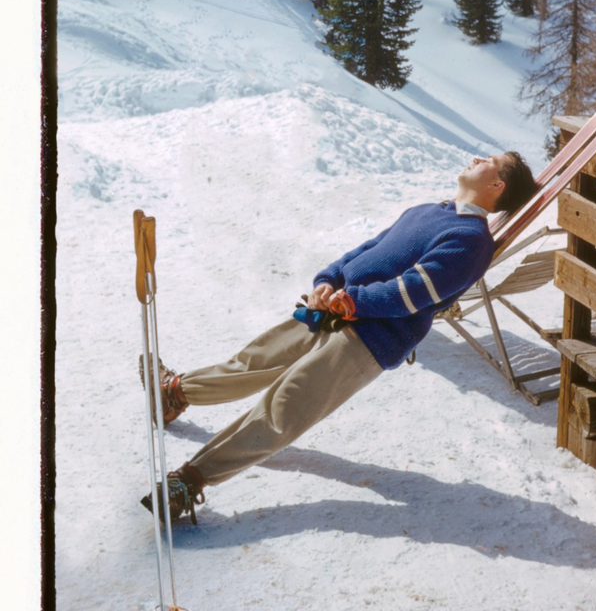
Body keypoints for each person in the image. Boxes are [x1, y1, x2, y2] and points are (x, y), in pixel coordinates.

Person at [141, 152, 538, 524]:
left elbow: (418, 290)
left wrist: (353, 301)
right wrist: (327, 280)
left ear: (497, 186)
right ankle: (175, 392)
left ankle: (190, 480)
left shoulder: (470, 239)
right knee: (254, 361)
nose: (477, 159)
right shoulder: (430, 211)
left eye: (490, 162)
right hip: (329, 308)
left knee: (285, 407)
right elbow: (368, 248)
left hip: (369, 337)